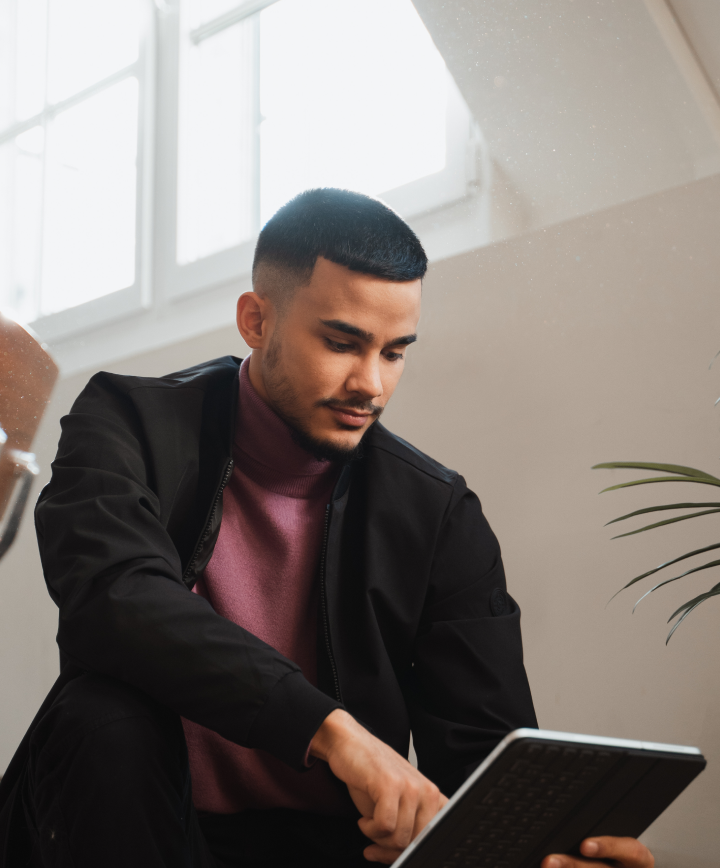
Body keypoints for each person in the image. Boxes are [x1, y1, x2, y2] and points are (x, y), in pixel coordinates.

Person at [0, 189, 653, 868]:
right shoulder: (126, 423)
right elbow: (114, 598)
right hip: (141, 822)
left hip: (333, 850)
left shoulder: (437, 513)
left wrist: (544, 847)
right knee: (104, 719)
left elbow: (481, 754)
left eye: (395, 353)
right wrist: (330, 730)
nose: (370, 383)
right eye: (342, 343)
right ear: (256, 320)